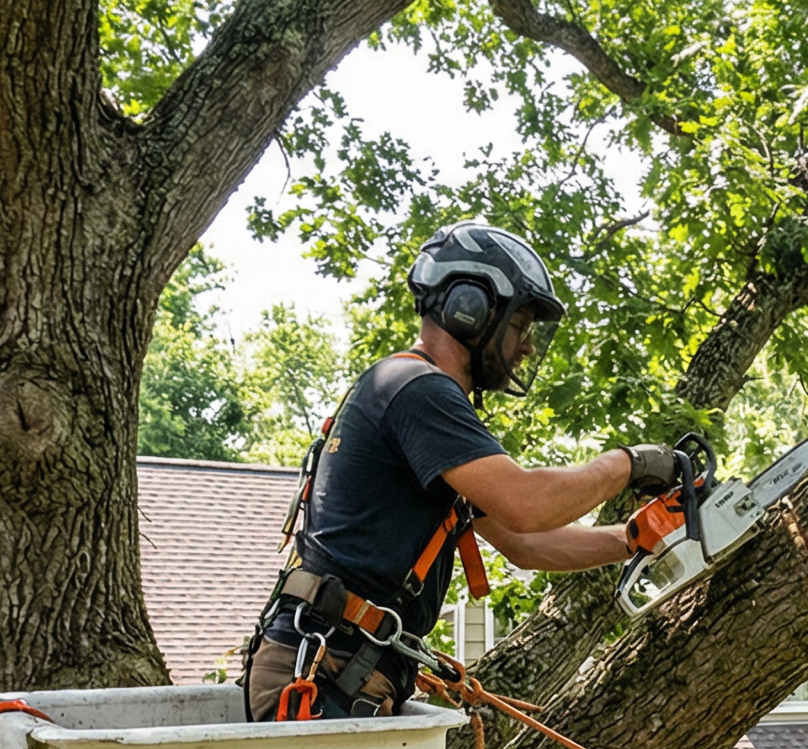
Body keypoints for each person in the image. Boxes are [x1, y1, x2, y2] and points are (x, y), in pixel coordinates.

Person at [246, 220, 690, 720]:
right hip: (327, 671)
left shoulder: (413, 398)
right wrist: (629, 463)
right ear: (470, 308)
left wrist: (637, 537)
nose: (525, 347)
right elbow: (528, 504)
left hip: (343, 666)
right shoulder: (417, 389)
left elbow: (525, 544)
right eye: (521, 326)